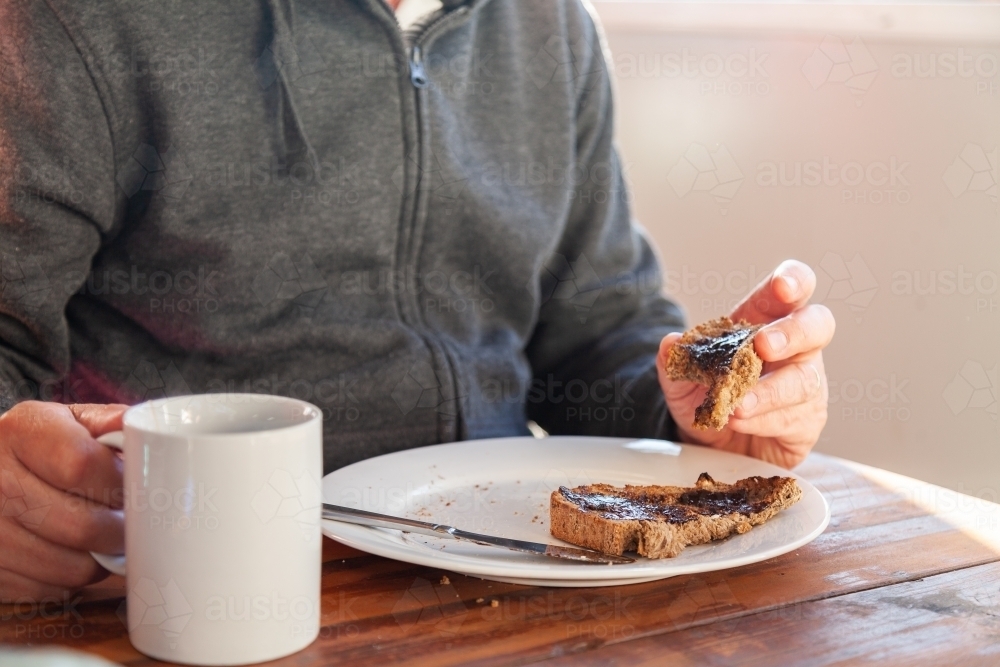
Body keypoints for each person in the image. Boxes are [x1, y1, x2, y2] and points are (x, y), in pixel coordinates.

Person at [0, 0, 834, 598]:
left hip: (516, 578)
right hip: (194, 589)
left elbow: (597, 324)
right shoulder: (77, 22)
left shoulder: (555, 28)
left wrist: (693, 416)